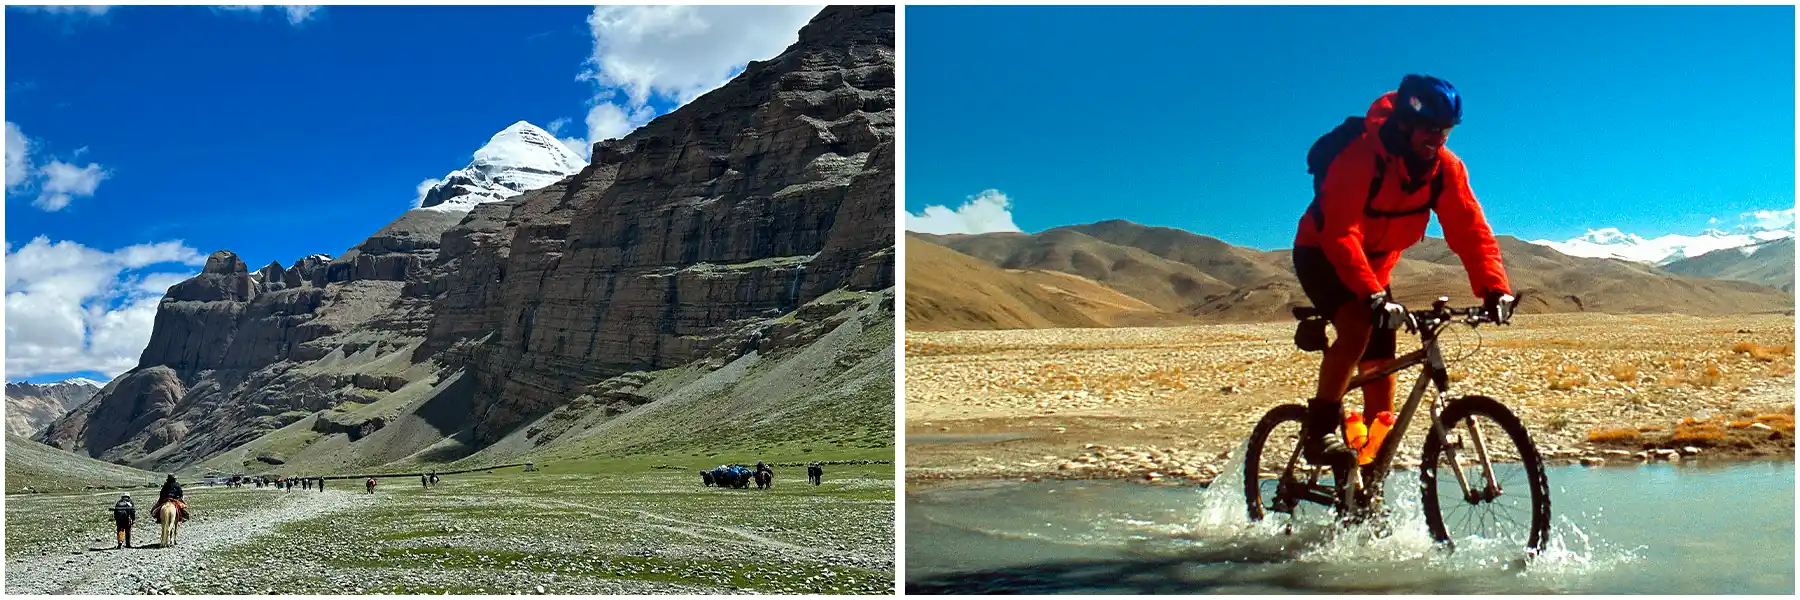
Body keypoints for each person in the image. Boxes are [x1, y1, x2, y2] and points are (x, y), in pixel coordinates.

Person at [1293, 74, 1516, 467]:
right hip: (1323, 252)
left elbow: (1470, 230)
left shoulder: (1445, 169)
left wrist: (1494, 289)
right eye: (1430, 129)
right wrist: (1371, 295)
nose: (1439, 138)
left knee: (1382, 362)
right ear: (1403, 123)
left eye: (1445, 130)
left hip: (1376, 266)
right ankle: (1320, 429)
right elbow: (1340, 232)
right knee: (1358, 326)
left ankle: (1367, 468)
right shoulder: (1361, 156)